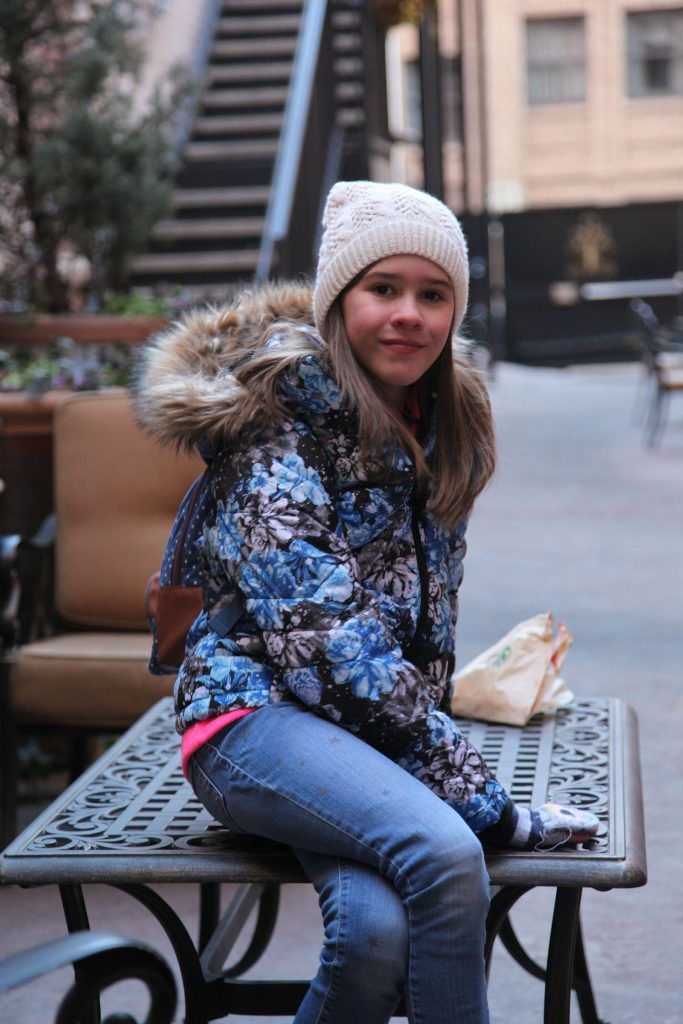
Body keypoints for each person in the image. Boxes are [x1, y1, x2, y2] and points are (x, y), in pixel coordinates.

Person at [135, 180, 598, 1024]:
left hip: (357, 730)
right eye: (382, 288)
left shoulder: (438, 417)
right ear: (337, 301)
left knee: (375, 935)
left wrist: (426, 748)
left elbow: (423, 619)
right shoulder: (275, 428)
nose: (408, 315)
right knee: (447, 853)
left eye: (433, 295)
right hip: (249, 722)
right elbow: (326, 645)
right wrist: (489, 806)